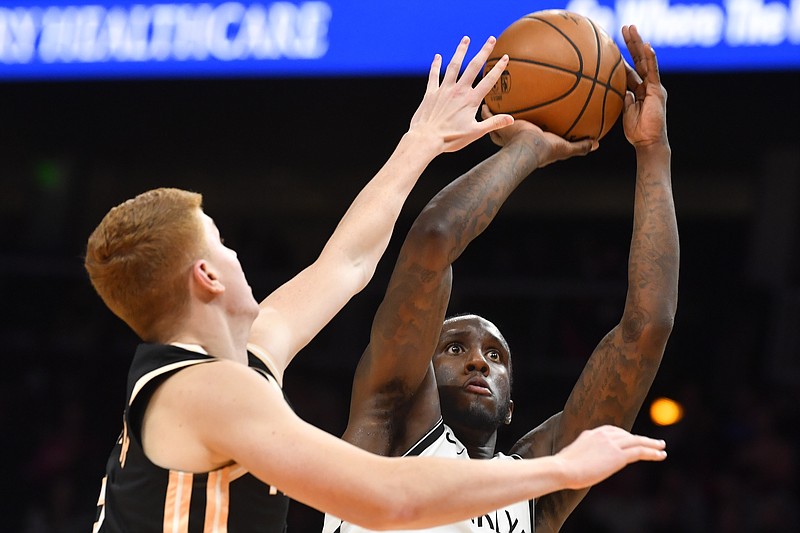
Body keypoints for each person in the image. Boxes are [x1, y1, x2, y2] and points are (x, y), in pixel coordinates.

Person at [84, 34, 668, 533]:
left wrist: (423, 138)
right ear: (207, 276)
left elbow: (346, 263)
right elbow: (388, 499)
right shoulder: (205, 389)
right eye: (222, 243)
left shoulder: (248, 357)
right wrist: (564, 468)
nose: (239, 254)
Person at [324, 25, 677, 533]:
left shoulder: (534, 489)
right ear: (416, 357)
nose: (476, 361)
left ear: (511, 406)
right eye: (452, 347)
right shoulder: (391, 414)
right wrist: (527, 148)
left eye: (495, 356)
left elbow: (647, 328)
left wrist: (652, 151)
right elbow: (433, 242)